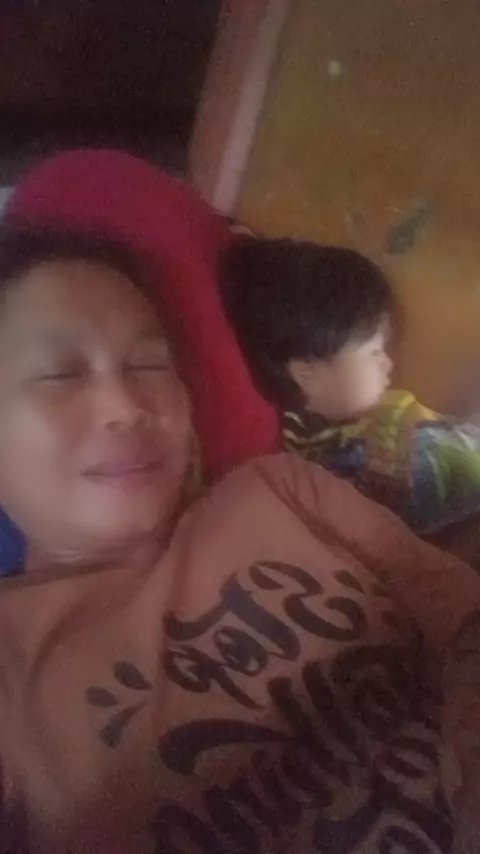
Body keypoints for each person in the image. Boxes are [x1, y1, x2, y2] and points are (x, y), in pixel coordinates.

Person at [0, 224, 478, 854]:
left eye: (149, 363)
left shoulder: (284, 489)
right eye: (59, 374)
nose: (125, 405)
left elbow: (465, 621)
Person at [222, 236, 480, 535]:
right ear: (307, 372)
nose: (387, 363)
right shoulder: (315, 457)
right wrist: (384, 490)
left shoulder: (362, 416)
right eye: (374, 352)